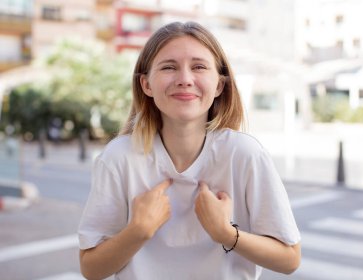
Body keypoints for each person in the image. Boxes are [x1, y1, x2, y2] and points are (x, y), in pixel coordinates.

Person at [78, 21, 301, 280]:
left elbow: (290, 259)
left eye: (199, 67)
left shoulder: (245, 154)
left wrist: (225, 233)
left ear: (219, 85)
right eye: (169, 67)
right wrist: (138, 230)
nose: (184, 79)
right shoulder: (118, 158)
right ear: (146, 84)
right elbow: (91, 269)